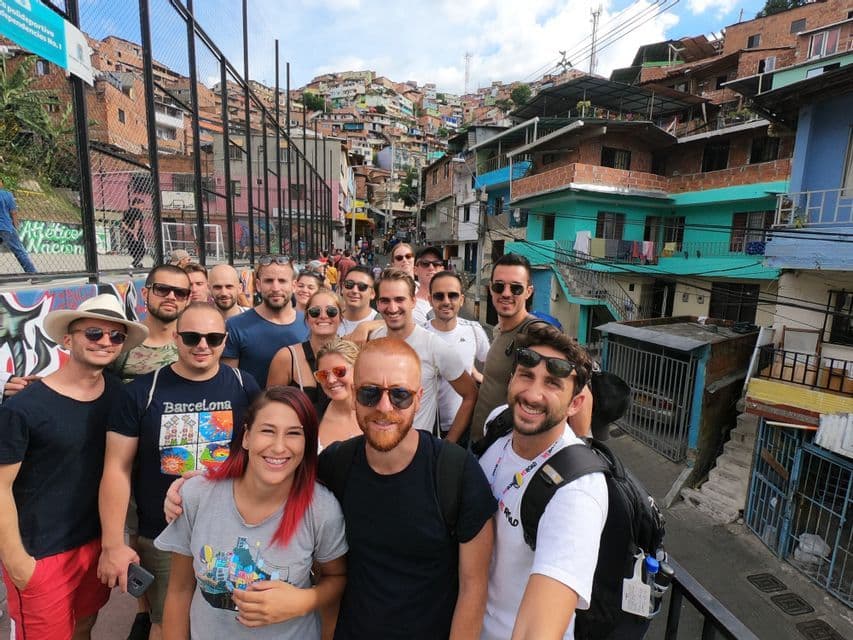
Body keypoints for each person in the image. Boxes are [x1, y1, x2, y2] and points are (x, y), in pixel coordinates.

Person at [98, 303, 260, 639]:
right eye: (191, 336)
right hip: (163, 532)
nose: (203, 345)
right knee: (168, 622)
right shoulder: (142, 391)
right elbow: (117, 467)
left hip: (230, 529)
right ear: (175, 337)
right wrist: (112, 542)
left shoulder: (244, 385)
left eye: (213, 338)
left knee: (231, 619)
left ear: (224, 340)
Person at [0, 294, 148, 639]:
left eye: (116, 336)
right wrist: (18, 562)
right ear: (68, 339)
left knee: (84, 627)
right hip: (40, 552)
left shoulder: (119, 396)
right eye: (93, 333)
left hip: (94, 544)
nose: (105, 342)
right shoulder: (24, 407)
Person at [157, 386, 347, 639]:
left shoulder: (321, 508)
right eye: (267, 431)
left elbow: (338, 576)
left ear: (307, 444)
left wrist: (304, 600)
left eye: (294, 434)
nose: (279, 447)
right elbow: (179, 589)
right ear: (246, 437)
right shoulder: (196, 495)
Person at [478, 323, 605, 640]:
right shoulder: (499, 422)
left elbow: (538, 631)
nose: (532, 394)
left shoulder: (577, 493)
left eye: (552, 383)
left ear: (575, 403)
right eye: (526, 375)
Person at [370, 269, 477, 442]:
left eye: (399, 299)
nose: (392, 308)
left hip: (418, 450)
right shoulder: (374, 338)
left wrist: (448, 444)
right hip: (380, 442)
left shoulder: (435, 346)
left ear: (413, 301)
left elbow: (470, 394)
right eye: (385, 300)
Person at [470, 253, 538, 443]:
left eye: (516, 288)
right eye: (499, 286)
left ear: (528, 291)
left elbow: (579, 390)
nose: (506, 293)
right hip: (482, 443)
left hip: (505, 448)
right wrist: (477, 376)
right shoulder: (500, 329)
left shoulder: (535, 332)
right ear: (491, 289)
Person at [223, 256, 309, 388]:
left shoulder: (310, 324)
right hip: (251, 407)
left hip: (301, 407)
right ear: (258, 285)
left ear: (294, 286)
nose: (275, 288)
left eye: (282, 281)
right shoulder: (235, 326)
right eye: (269, 281)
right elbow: (228, 383)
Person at [425, 271, 490, 442]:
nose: (446, 301)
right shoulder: (420, 335)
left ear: (461, 299)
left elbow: (491, 369)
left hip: (464, 425)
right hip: (427, 426)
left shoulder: (474, 330)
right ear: (430, 299)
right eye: (439, 296)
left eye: (452, 295)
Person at [267, 289, 342, 417]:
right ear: (307, 318)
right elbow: (271, 408)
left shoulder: (352, 355)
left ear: (341, 317)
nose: (323, 316)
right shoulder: (286, 357)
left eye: (331, 311)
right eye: (315, 312)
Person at [113, 265, 192, 382]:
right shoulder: (120, 342)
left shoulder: (199, 343)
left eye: (180, 292)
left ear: (188, 299)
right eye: (162, 289)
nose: (171, 297)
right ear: (145, 293)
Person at [314, 338, 361, 451]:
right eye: (323, 374)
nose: (331, 380)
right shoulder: (311, 416)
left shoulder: (378, 413)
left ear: (358, 369)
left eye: (339, 371)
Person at [0, 177, 36, 273]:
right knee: (18, 250)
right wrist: (15, 225)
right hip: (5, 227)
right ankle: (33, 274)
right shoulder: (7, 194)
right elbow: (14, 212)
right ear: (1, 184)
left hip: (4, 226)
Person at [336, 266, 378, 337]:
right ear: (342, 288)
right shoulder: (331, 319)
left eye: (362, 286)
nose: (354, 291)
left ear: (372, 293)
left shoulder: (381, 325)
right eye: (349, 284)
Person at [413, 246, 444, 325]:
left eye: (436, 264)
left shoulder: (449, 300)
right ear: (415, 270)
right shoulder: (411, 306)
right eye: (425, 264)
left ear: (442, 269)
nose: (431, 268)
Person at [123, 198, 146, 270]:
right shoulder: (138, 211)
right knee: (142, 250)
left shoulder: (126, 211)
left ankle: (138, 264)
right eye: (142, 205)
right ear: (136, 204)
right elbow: (137, 222)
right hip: (138, 235)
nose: (143, 208)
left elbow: (123, 223)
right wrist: (135, 233)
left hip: (128, 235)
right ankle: (133, 264)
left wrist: (130, 230)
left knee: (133, 250)